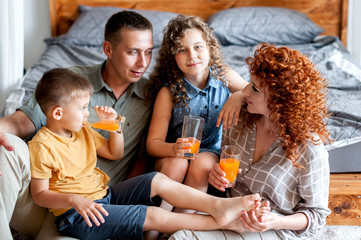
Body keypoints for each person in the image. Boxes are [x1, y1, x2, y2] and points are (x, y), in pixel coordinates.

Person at [29, 67, 262, 240]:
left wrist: (115, 127)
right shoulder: (42, 145)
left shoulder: (83, 131)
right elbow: (40, 194)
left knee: (157, 180)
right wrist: (72, 199)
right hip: (79, 216)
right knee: (151, 215)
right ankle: (221, 223)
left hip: (103, 196)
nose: (87, 114)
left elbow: (114, 152)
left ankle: (217, 206)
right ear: (58, 113)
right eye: (82, 109)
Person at [0, 10, 154, 238]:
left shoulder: (153, 93)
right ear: (108, 49)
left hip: (91, 212)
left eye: (149, 53)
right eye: (133, 52)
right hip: (37, 200)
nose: (143, 63)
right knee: (7, 147)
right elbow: (19, 122)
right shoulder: (72, 82)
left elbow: (142, 155)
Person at [170, 43, 331, 240]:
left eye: (254, 88)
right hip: (231, 213)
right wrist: (216, 175)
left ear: (279, 101)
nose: (244, 90)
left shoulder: (310, 148)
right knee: (177, 234)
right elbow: (227, 174)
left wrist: (275, 220)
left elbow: (317, 216)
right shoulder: (240, 120)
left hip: (274, 229)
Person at [146, 15, 247, 215]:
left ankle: (180, 225)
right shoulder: (169, 92)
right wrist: (174, 148)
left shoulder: (223, 76)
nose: (192, 56)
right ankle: (155, 228)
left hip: (209, 150)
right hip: (172, 154)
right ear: (172, 56)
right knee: (177, 164)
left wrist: (239, 96)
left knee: (201, 164)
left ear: (210, 48)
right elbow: (152, 144)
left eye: (198, 47)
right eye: (182, 50)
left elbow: (252, 91)